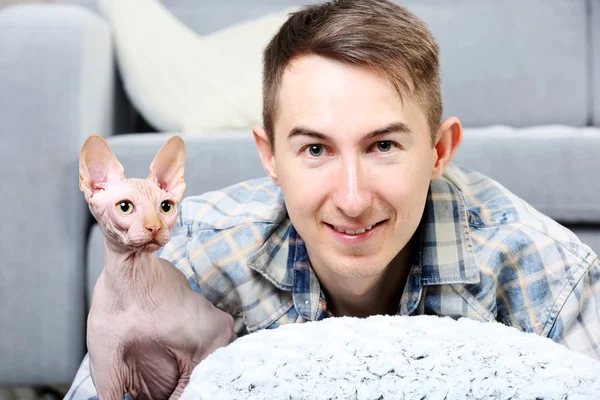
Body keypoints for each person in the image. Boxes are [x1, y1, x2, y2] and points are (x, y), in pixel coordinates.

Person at [66, 0, 600, 397]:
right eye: (316, 148)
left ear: (440, 150)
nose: (351, 199)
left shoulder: (544, 270)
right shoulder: (188, 259)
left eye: (383, 145)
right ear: (270, 156)